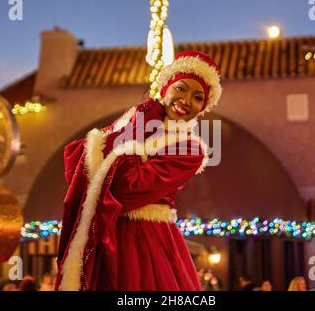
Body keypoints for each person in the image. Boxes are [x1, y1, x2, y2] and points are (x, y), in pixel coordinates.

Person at [55, 51, 222, 291]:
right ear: (166, 88)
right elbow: (80, 163)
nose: (186, 100)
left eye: (198, 97)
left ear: (202, 107)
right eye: (181, 88)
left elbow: (127, 187)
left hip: (145, 241)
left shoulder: (190, 150)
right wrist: (135, 127)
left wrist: (134, 133)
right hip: (104, 229)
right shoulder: (134, 117)